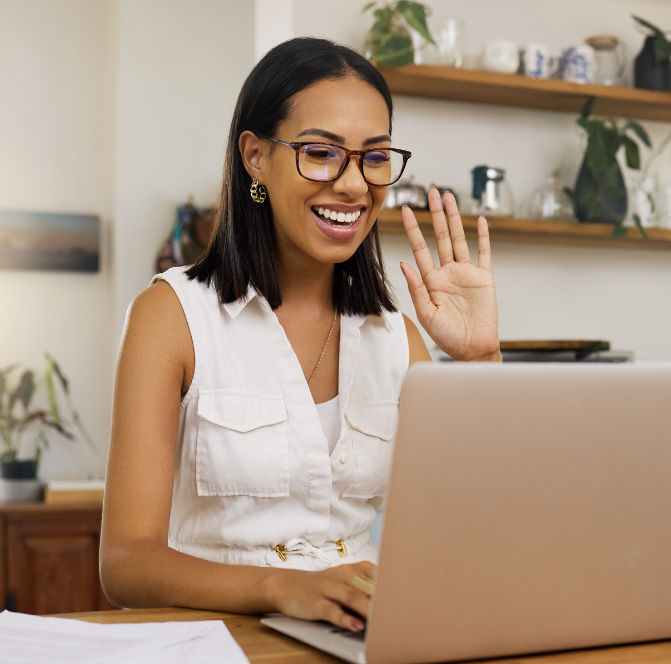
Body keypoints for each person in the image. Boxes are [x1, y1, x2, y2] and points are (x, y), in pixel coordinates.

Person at [99, 38, 499, 632]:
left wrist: (481, 358)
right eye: (320, 153)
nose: (354, 185)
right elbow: (126, 564)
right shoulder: (172, 317)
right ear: (255, 156)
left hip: (365, 634)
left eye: (375, 156)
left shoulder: (400, 340)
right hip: (212, 646)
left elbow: (467, 524)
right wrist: (284, 589)